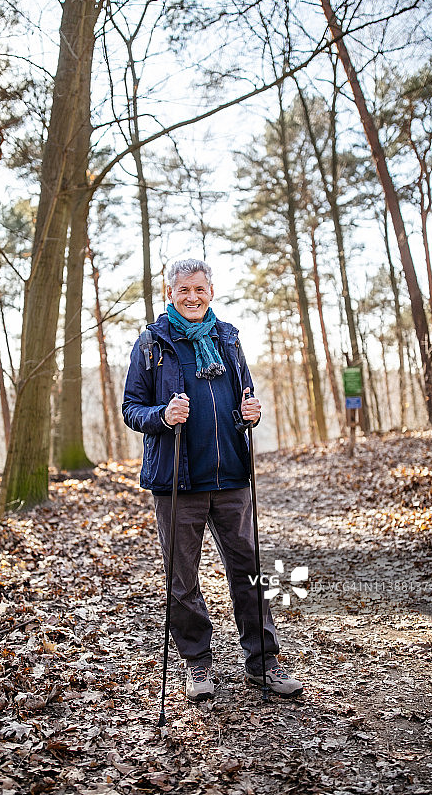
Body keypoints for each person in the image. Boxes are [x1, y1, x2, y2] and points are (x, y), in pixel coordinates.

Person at [122, 259, 303, 702]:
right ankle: (198, 665)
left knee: (250, 571)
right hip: (177, 484)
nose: (192, 297)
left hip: (232, 479)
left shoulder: (228, 339)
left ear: (211, 291)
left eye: (199, 289)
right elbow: (132, 408)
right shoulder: (153, 343)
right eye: (183, 290)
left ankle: (263, 663)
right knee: (181, 578)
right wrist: (162, 416)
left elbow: (246, 394)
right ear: (170, 294)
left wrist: (252, 414)